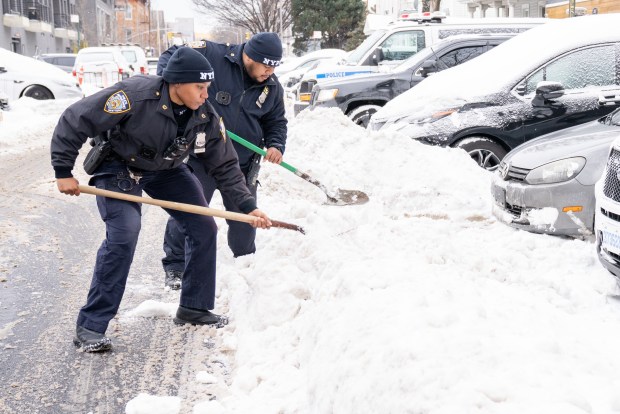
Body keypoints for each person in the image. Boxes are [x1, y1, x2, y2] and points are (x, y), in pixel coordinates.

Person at [51, 47, 271, 353]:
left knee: (203, 227)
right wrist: (63, 170)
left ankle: (194, 307)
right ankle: (90, 325)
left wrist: (248, 206)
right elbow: (76, 119)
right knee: (124, 233)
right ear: (177, 83)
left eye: (207, 88)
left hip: (166, 169)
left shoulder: (205, 115)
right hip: (118, 166)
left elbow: (225, 166)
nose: (205, 95)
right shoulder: (134, 95)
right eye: (200, 88)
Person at [157, 33, 288, 290]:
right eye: (266, 65)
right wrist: (175, 91)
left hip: (240, 164)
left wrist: (276, 144)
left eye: (275, 66)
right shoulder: (211, 55)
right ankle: (175, 268)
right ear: (250, 56)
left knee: (245, 219)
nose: (269, 71)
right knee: (187, 212)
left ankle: (245, 264)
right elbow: (170, 56)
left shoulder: (271, 87)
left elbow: (276, 121)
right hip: (200, 157)